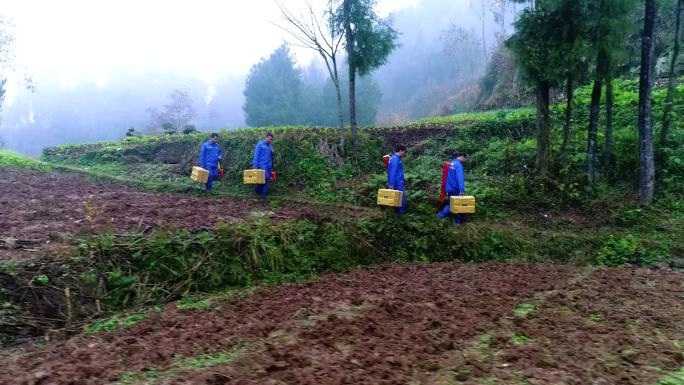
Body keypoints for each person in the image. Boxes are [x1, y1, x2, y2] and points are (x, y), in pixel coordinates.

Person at [437, 150, 467, 224]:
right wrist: (462, 190)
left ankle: (458, 222)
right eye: (465, 158)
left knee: (454, 204)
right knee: (454, 205)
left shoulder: (451, 163)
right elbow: (460, 178)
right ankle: (440, 216)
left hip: (449, 187)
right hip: (455, 188)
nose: (465, 160)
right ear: (462, 157)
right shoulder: (458, 165)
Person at [252, 132, 274, 196]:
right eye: (269, 139)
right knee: (265, 178)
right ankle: (257, 190)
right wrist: (255, 165)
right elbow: (256, 155)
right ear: (266, 137)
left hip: (268, 165)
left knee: (266, 180)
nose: (270, 141)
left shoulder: (270, 145)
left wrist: (272, 151)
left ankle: (263, 194)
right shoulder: (259, 145)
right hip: (261, 165)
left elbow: (270, 154)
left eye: (271, 140)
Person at [387, 144, 407, 215]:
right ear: (401, 150)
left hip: (398, 183)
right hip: (397, 184)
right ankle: (400, 217)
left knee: (397, 201)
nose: (405, 154)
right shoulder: (395, 159)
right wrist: (391, 185)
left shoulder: (394, 158)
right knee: (402, 201)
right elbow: (392, 172)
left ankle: (397, 216)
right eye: (404, 152)